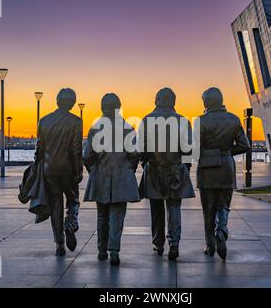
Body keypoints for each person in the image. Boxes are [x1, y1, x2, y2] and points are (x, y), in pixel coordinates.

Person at [138, 88, 195, 261]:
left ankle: (158, 242)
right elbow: (188, 150)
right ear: (173, 102)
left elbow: (142, 148)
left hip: (154, 170)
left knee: (156, 209)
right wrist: (185, 167)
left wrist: (144, 162)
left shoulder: (147, 120)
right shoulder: (183, 121)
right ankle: (174, 243)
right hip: (175, 169)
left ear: (156, 101)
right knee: (174, 207)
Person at [83, 93, 140, 266]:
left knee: (102, 215)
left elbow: (87, 155)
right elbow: (134, 154)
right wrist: (130, 168)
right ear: (119, 107)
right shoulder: (127, 128)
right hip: (122, 176)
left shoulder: (95, 128)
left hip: (101, 175)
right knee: (117, 215)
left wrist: (93, 169)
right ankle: (114, 250)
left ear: (102, 107)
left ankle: (101, 250)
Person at [195, 87, 250, 260]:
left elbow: (194, 149)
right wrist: (225, 153)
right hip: (226, 167)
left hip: (206, 170)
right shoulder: (233, 119)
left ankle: (210, 246)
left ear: (206, 102)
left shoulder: (201, 121)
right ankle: (222, 230)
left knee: (208, 210)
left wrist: (209, 154)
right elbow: (245, 145)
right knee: (224, 205)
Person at [34, 88, 83, 256]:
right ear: (73, 102)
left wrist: (37, 168)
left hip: (49, 170)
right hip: (68, 170)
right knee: (74, 201)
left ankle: (59, 243)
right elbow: (76, 149)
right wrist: (79, 169)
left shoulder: (44, 121)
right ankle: (70, 224)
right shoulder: (76, 122)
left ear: (57, 101)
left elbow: (39, 148)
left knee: (56, 206)